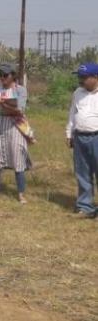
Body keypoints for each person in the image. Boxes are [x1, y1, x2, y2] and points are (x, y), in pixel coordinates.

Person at [0, 63, 31, 204]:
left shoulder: (20, 90)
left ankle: (21, 193)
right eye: (0, 75)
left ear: (13, 75)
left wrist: (4, 105)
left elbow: (20, 110)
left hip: (15, 127)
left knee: (18, 158)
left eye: (5, 75)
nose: (2, 77)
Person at [65, 62, 98, 219]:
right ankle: (85, 207)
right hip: (79, 137)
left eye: (84, 77)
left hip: (96, 137)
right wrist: (69, 133)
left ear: (95, 77)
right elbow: (73, 113)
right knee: (82, 173)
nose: (81, 80)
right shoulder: (78, 92)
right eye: (79, 77)